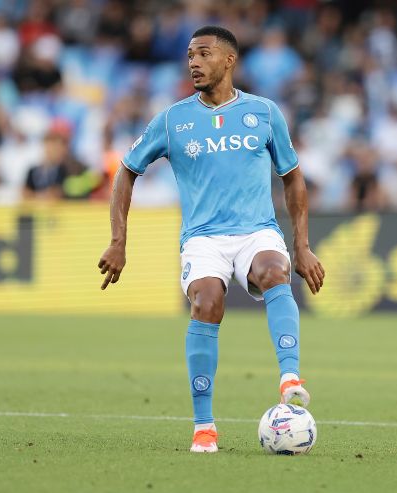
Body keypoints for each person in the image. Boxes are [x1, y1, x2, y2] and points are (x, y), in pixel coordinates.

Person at [97, 26, 325, 453]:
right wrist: (118, 240)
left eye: (203, 54)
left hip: (257, 230)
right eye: (189, 56)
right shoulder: (173, 118)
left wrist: (303, 246)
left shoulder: (264, 112)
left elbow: (293, 178)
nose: (194, 63)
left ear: (229, 60)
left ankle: (290, 376)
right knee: (206, 302)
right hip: (203, 239)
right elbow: (126, 172)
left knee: (275, 272)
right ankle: (204, 426)